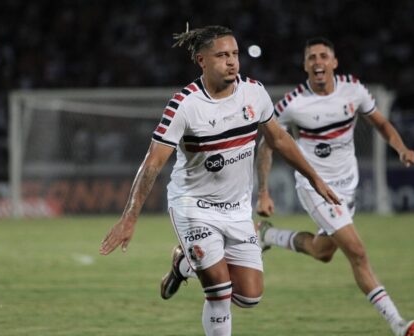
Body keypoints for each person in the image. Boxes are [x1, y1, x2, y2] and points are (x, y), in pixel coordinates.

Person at [99, 26, 339, 336]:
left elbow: (279, 139)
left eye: (235, 54)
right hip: (193, 206)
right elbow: (152, 164)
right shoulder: (184, 105)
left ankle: (182, 265)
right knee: (219, 293)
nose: (232, 62)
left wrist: (315, 179)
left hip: (237, 210)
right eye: (222, 55)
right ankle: (197, 264)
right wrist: (129, 218)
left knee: (250, 297)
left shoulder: (254, 92)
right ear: (202, 60)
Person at [255, 37, 414, 336]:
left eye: (323, 56)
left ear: (334, 62)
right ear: (305, 66)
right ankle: (397, 323)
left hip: (348, 187)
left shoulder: (353, 90)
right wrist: (263, 190)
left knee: (323, 252)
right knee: (357, 252)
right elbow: (266, 145)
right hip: (315, 188)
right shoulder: (293, 103)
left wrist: (401, 148)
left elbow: (381, 123)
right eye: (311, 58)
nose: (317, 62)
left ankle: (268, 235)